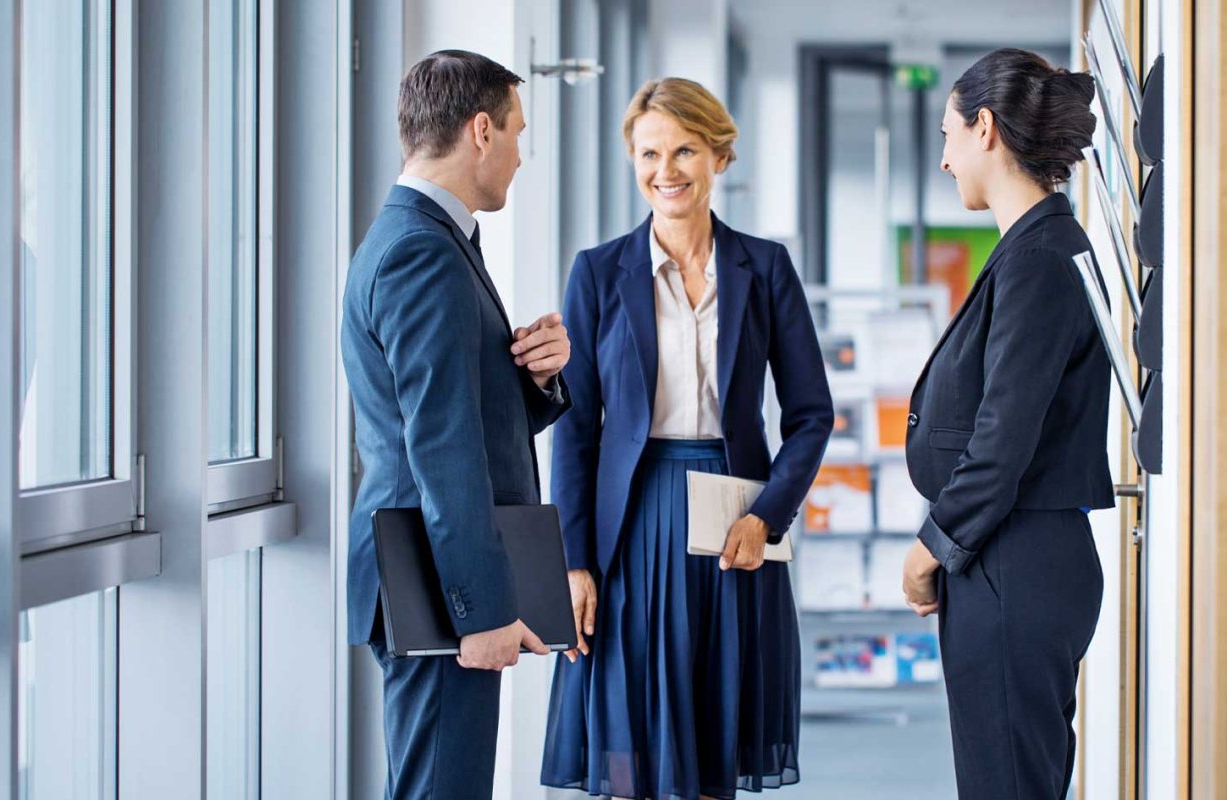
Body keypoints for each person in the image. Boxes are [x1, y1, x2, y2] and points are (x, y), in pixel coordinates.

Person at [541, 77, 831, 800]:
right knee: (632, 748)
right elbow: (576, 431)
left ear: (719, 157)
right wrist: (574, 563)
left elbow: (810, 415)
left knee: (714, 740)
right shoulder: (598, 273)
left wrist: (768, 517)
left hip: (735, 525)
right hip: (631, 530)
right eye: (648, 154)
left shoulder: (764, 269)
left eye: (684, 151)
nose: (664, 172)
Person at [340, 49, 574, 799]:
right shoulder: (421, 251)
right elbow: (439, 446)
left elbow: (455, 413)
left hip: (428, 573)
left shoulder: (428, 239)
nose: (519, 156)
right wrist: (481, 610)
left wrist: (534, 382)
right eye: (516, 133)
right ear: (481, 130)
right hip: (436, 584)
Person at [899, 48, 1112, 799]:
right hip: (1006, 558)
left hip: (1010, 559)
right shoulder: (1029, 250)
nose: (947, 160)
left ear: (984, 128)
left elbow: (1002, 436)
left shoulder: (1040, 259)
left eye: (948, 136)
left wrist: (932, 547)